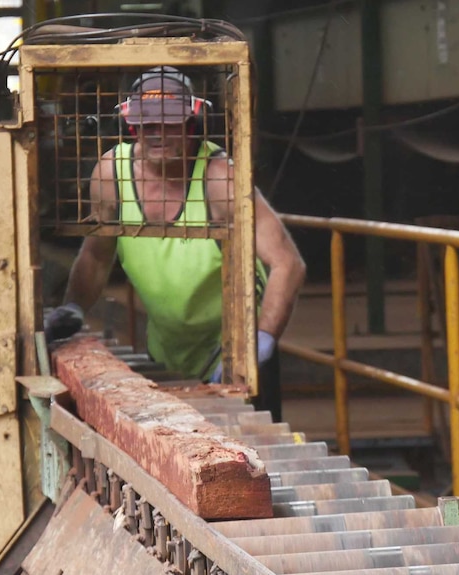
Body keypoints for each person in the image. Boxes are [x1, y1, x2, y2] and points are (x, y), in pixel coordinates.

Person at [44, 67, 305, 421]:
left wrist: (260, 342)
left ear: (191, 122)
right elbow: (96, 256)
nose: (157, 135)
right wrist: (73, 307)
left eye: (169, 124)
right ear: (132, 125)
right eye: (148, 125)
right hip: (168, 350)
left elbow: (288, 264)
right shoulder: (112, 174)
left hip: (232, 350)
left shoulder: (219, 177)